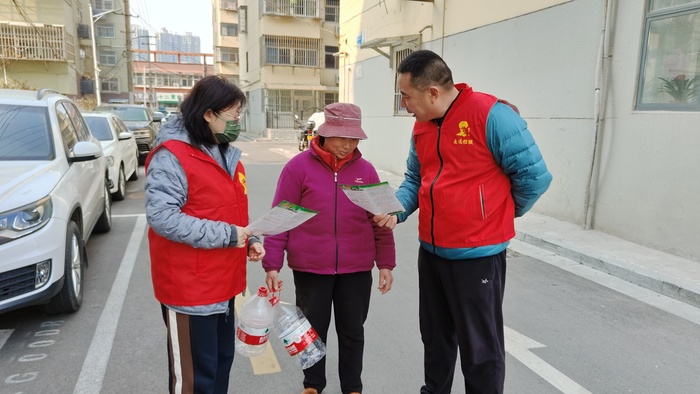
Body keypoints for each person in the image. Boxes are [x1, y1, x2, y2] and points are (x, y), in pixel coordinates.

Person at [374, 50, 552, 394]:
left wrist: (496, 213)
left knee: (480, 350)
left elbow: (535, 179)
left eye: (406, 96)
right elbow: (415, 177)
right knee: (436, 338)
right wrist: (397, 209)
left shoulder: (492, 116)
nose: (404, 104)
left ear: (432, 93)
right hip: (433, 253)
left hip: (478, 257)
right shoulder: (422, 127)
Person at [263, 102, 396, 394]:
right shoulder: (297, 168)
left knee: (352, 332)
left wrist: (385, 264)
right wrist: (272, 264)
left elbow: (381, 222)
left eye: (353, 139)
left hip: (356, 270)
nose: (347, 145)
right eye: (341, 137)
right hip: (311, 269)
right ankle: (313, 384)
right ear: (324, 133)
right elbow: (280, 217)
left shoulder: (367, 171)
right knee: (311, 332)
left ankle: (352, 387)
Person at [144, 75, 265, 394]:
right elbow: (162, 217)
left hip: (223, 286)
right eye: (233, 116)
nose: (238, 123)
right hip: (189, 291)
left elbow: (229, 209)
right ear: (208, 114)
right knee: (195, 380)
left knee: (219, 365)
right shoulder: (172, 155)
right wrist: (229, 235)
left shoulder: (224, 152)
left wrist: (248, 239)